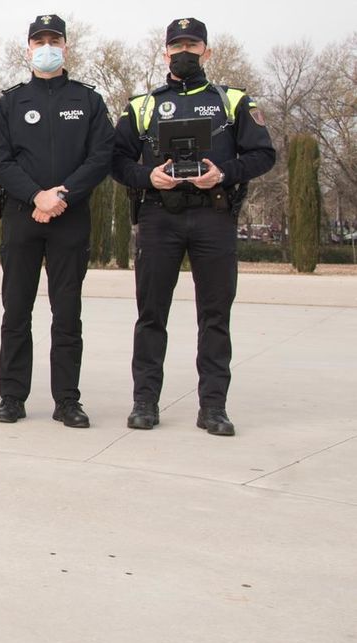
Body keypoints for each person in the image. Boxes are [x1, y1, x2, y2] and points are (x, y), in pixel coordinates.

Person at [112, 17, 275, 436]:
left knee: (215, 316)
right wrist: (148, 177)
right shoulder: (143, 105)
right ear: (164, 52)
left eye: (192, 45)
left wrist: (224, 173)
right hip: (158, 217)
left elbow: (264, 154)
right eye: (177, 46)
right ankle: (145, 402)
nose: (184, 52)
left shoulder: (232, 101)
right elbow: (115, 161)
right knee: (151, 315)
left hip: (213, 215)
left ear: (207, 51)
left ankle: (213, 407)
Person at [0, 14, 114, 428]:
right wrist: (35, 196)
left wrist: (62, 195)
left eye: (53, 41)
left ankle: (67, 401)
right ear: (28, 49)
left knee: (67, 314)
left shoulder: (88, 101)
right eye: (39, 42)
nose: (46, 48)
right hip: (23, 216)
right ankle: (12, 397)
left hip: (70, 219)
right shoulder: (12, 102)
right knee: (16, 311)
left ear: (66, 47)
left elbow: (101, 156)